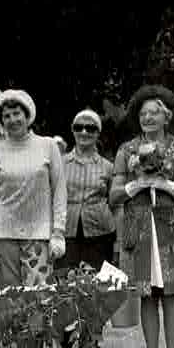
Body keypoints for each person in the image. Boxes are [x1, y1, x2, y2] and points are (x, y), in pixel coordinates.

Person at [110, 84, 174, 348]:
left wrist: (165, 184)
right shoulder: (127, 150)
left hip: (171, 225)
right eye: (143, 113)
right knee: (146, 295)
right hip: (139, 226)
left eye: (154, 113)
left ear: (166, 116)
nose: (147, 118)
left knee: (170, 294)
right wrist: (137, 184)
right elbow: (113, 196)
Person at [0, 88, 67, 287]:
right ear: (1, 122)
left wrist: (58, 233)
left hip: (38, 235)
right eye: (6, 116)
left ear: (27, 116)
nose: (12, 119)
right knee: (10, 302)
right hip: (3, 236)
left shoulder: (48, 146)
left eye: (17, 113)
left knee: (39, 300)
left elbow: (59, 192)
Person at [55, 109, 116, 272]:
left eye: (90, 128)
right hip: (66, 231)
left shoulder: (108, 167)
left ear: (98, 133)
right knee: (66, 282)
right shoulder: (59, 164)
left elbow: (115, 203)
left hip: (100, 234)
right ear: (72, 130)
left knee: (99, 283)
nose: (84, 132)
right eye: (79, 127)